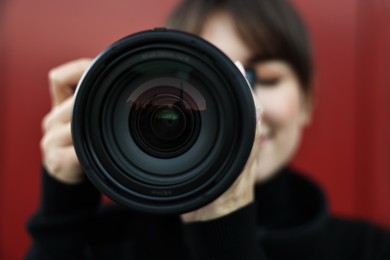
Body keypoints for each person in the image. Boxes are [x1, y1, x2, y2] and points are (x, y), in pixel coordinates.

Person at [26, 0, 390, 259]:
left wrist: (222, 226)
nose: (247, 105)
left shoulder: (368, 249)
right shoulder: (108, 241)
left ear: (308, 100)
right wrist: (63, 216)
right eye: (212, 82)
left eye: (264, 78)